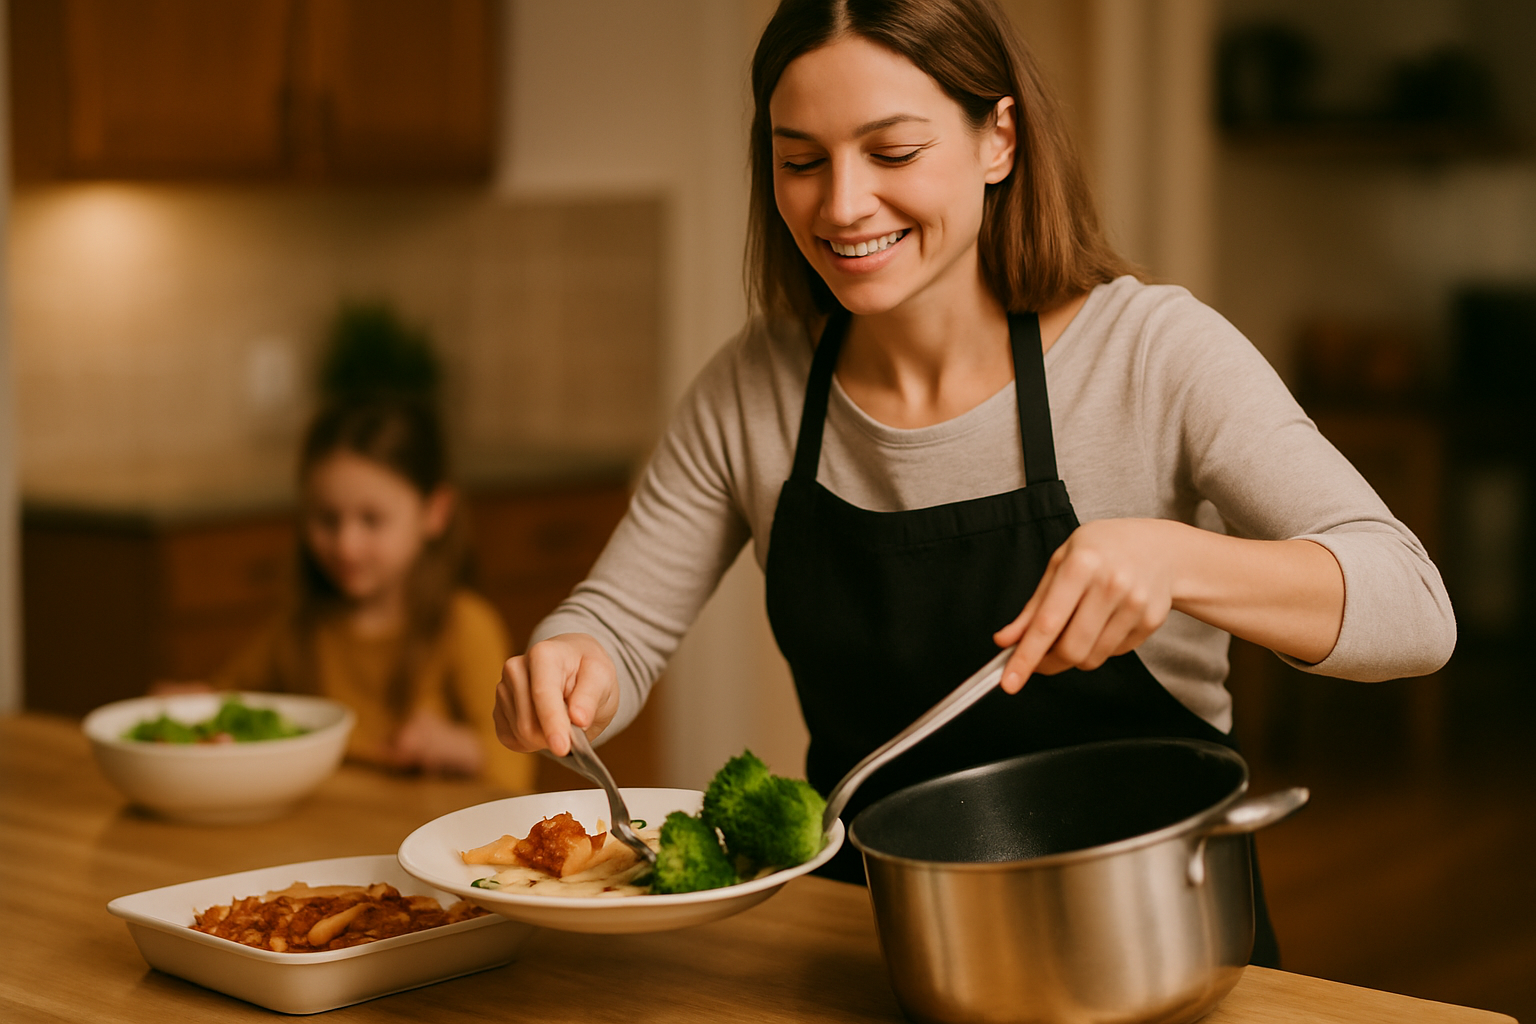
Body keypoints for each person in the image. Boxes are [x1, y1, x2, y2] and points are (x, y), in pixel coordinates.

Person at [492, 0, 1455, 965]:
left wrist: (1179, 559)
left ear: (999, 138)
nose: (842, 205)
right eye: (801, 160)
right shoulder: (756, 387)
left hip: (1153, 948)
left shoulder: (1154, 353)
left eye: (893, 153)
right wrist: (572, 660)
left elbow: (1413, 609)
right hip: (876, 949)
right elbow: (614, 624)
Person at [175, 396, 536, 792]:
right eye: (327, 519)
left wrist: (460, 747)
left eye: (371, 520)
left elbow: (514, 773)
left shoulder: (466, 626)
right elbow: (230, 704)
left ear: (435, 512)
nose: (346, 545)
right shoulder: (299, 626)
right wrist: (190, 707)